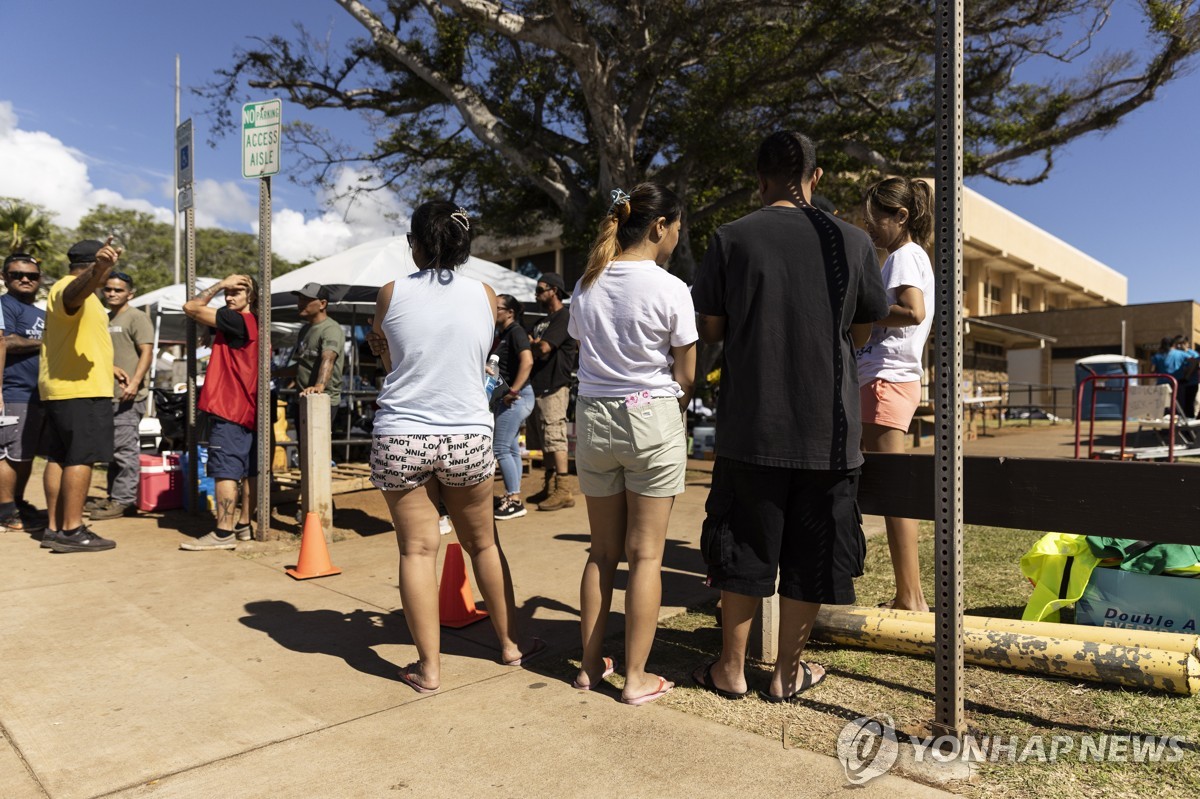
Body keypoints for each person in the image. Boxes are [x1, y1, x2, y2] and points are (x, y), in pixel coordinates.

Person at [689, 131, 888, 701]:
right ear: (816, 177)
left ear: (760, 178)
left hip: (752, 424)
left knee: (741, 547)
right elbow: (863, 328)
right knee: (812, 554)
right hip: (831, 431)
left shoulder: (732, 237)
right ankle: (785, 673)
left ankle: (730, 670)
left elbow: (713, 329)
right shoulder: (851, 241)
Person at [366, 201, 541, 693]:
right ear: (464, 246)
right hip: (466, 431)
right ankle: (510, 645)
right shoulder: (486, 296)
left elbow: (394, 360)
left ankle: (429, 668)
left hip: (402, 433)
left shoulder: (390, 292)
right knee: (483, 542)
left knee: (418, 551)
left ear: (414, 243)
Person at [569, 184, 697, 705]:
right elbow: (686, 375)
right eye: (678, 227)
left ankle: (587, 667)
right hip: (652, 415)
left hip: (594, 417)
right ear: (658, 226)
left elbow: (586, 349)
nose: (678, 236)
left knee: (601, 553)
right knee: (647, 556)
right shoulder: (671, 289)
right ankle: (636, 677)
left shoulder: (586, 283)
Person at [854, 176, 936, 612]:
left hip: (887, 379)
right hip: (887, 378)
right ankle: (911, 595)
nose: (869, 228)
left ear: (900, 216)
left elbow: (913, 311)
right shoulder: (906, 256)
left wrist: (862, 308)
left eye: (875, 219)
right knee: (891, 490)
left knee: (892, 492)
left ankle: (911, 597)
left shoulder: (904, 256)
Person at [40, 238, 126, 553]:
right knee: (82, 457)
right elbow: (72, 297)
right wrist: (98, 270)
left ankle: (54, 528)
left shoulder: (80, 294)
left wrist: (109, 365)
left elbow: (77, 337)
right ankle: (73, 530)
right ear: (93, 263)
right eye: (107, 265)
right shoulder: (71, 288)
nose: (109, 275)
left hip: (62, 388)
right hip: (81, 390)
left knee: (59, 457)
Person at [179, 274, 259, 550]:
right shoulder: (251, 322)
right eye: (228, 292)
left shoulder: (237, 320)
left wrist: (219, 284)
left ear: (252, 296)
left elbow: (191, 307)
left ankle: (223, 534)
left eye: (237, 292)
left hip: (229, 408)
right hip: (246, 410)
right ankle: (243, 525)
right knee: (248, 471)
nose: (229, 296)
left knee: (225, 471)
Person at [87, 271, 154, 520]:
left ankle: (124, 500)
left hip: (127, 397)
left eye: (118, 290)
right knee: (112, 450)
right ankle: (114, 497)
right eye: (109, 289)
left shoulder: (136, 317)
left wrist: (134, 383)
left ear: (130, 293)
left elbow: (147, 352)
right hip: (106, 394)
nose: (113, 293)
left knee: (125, 450)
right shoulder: (105, 318)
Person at [0, 253, 48, 536]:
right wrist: (48, 342)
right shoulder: (4, 305)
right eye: (17, 274)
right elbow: (7, 340)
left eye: (31, 275)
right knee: (7, 454)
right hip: (13, 390)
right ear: (5, 278)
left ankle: (15, 501)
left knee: (25, 455)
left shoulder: (42, 313)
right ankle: (5, 510)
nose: (26, 279)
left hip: (38, 393)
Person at [526, 272, 578, 512]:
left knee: (555, 436)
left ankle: (564, 489)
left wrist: (535, 346)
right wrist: (535, 347)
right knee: (543, 439)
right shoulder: (540, 322)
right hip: (537, 386)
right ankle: (549, 485)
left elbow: (545, 348)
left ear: (554, 290)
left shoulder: (564, 317)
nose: (537, 294)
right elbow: (534, 350)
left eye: (540, 289)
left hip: (555, 385)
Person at [491, 294, 535, 520]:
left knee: (499, 448)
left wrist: (514, 390)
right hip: (513, 396)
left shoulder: (516, 332)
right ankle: (515, 497)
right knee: (509, 448)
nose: (492, 309)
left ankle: (514, 499)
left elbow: (528, 361)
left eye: (496, 307)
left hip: (518, 397)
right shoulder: (505, 334)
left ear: (510, 312)